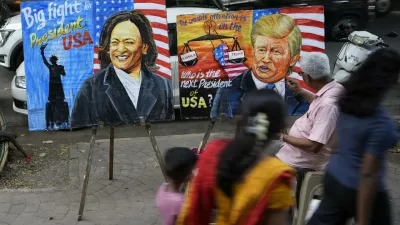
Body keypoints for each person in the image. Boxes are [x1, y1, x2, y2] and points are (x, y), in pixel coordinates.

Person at [307, 48, 400, 225]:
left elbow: (335, 144)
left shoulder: (346, 99)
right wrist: (363, 220)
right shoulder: (381, 124)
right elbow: (368, 175)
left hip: (334, 178)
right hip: (358, 190)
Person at [176, 89, 295, 225]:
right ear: (278, 130)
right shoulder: (276, 176)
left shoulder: (213, 153)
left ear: (241, 119)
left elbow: (193, 212)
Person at [71, 10, 173, 128]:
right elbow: (80, 129)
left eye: (129, 42)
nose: (120, 49)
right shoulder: (90, 88)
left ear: (144, 47)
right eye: (115, 42)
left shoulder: (164, 86)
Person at [276, 52, 344, 205]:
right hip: (295, 150)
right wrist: (300, 91)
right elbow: (319, 103)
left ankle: (281, 209)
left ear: (308, 77)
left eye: (302, 74)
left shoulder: (329, 105)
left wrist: (282, 136)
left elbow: (314, 146)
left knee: (262, 169)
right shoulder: (334, 88)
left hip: (304, 159)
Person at [210, 13, 307, 119]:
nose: (265, 59)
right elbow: (219, 129)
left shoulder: (302, 98)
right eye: (261, 50)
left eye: (276, 52)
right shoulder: (228, 92)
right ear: (253, 51)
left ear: (293, 59)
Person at [156, 147, 198, 225]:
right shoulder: (181, 203)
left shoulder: (162, 188)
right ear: (186, 175)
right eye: (193, 169)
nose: (194, 172)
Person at [40, 44, 69, 129]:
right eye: (52, 60)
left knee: (58, 101)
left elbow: (64, 74)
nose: (53, 61)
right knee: (54, 102)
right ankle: (54, 122)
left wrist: (62, 70)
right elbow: (45, 61)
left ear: (55, 60)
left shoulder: (57, 67)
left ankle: (58, 121)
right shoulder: (52, 67)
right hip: (54, 86)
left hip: (56, 86)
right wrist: (42, 52)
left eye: (53, 60)